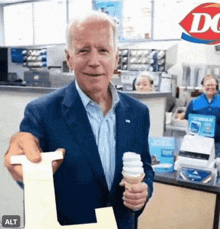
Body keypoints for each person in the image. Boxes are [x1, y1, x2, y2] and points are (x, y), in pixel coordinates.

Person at [4, 11, 154, 229]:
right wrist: (24, 167)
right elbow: (28, 170)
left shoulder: (138, 113)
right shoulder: (42, 112)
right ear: (69, 59)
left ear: (116, 58)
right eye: (83, 51)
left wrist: (144, 190)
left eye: (103, 50)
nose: (94, 61)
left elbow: (145, 167)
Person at [185, 75, 220, 156]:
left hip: (218, 142)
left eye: (213, 85)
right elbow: (188, 119)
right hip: (200, 142)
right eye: (208, 85)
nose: (210, 87)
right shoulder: (194, 102)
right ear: (203, 87)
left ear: (216, 86)